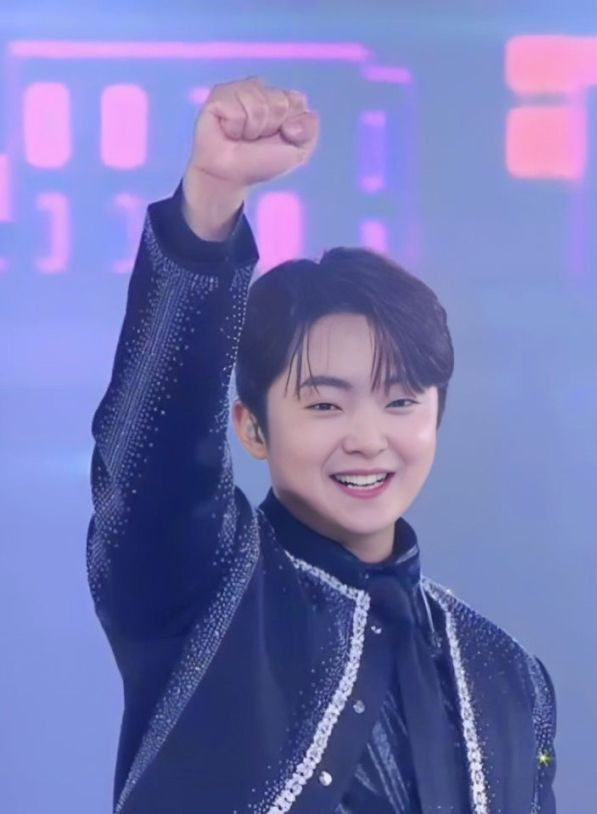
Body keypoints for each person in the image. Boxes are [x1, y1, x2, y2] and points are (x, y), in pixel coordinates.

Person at [87, 77, 557, 814]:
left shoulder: (506, 675)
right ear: (251, 426)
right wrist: (210, 202)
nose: (367, 439)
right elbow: (157, 450)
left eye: (400, 401)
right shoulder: (202, 587)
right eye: (325, 404)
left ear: (437, 415)